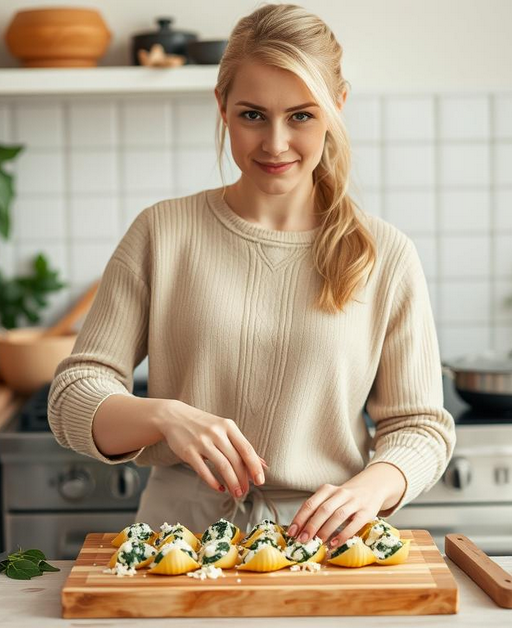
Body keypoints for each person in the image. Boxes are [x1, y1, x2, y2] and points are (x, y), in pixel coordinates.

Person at [47, 3, 454, 551]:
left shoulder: (386, 255)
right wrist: (165, 417)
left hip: (322, 544)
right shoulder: (162, 233)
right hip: (178, 545)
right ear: (222, 106)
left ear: (337, 106)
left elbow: (421, 428)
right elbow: (73, 396)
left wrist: (371, 487)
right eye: (253, 115)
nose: (276, 143)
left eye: (301, 116)